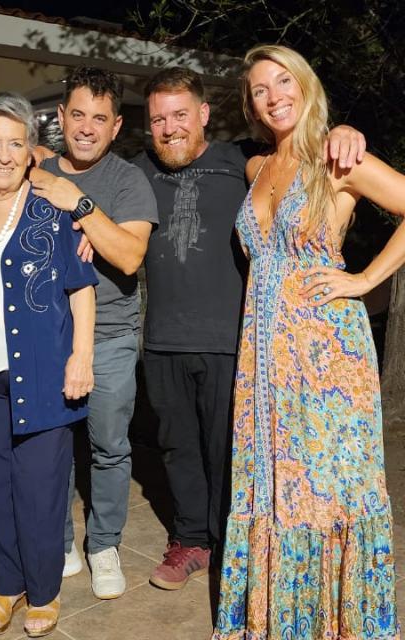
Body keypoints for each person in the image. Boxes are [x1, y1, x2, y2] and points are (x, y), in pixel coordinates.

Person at [133, 67, 367, 592]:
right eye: (158, 119)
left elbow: (299, 150)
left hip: (233, 338)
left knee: (229, 449)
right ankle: (192, 540)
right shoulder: (138, 169)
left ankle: (231, 546)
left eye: (180, 115)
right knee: (176, 445)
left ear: (203, 114)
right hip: (163, 337)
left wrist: (343, 130)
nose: (170, 128)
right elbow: (92, 178)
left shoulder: (241, 160)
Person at [212, 44, 402, 638]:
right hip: (264, 358)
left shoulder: (338, 157)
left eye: (283, 81)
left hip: (328, 355)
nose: (274, 96)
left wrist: (364, 279)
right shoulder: (255, 167)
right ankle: (281, 621)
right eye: (260, 89)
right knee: (276, 487)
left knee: (330, 489)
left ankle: (340, 624)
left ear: (305, 85)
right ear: (251, 105)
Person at [0, 67, 159, 600]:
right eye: (78, 115)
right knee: (52, 453)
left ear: (116, 126)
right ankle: (60, 540)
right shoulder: (34, 167)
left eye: (100, 118)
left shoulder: (126, 181)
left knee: (107, 445)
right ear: (62, 118)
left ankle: (104, 544)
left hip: (107, 333)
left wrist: (82, 208)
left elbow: (129, 256)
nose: (87, 127)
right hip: (44, 340)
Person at [0, 92, 97, 637]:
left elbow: (81, 288)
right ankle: (5, 586)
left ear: (31, 151)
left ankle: (44, 591)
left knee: (40, 488)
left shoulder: (50, 210)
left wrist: (82, 356)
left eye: (15, 143)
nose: (4, 155)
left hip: (39, 374)